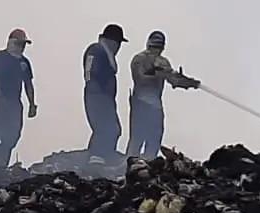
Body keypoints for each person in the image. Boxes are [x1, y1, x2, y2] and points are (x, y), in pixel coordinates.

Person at [127, 30, 198, 159]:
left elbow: (174, 79)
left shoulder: (163, 62)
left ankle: (149, 162)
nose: (155, 51)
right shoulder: (139, 59)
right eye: (154, 47)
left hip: (155, 107)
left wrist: (189, 82)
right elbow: (139, 77)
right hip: (140, 104)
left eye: (158, 47)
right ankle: (129, 163)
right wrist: (155, 71)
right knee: (137, 138)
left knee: (155, 138)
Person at [0, 28, 37, 167]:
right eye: (20, 44)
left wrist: (32, 103)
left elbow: (28, 83)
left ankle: (0, 165)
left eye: (23, 45)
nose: (22, 47)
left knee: (12, 135)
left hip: (15, 104)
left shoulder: (24, 63)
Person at [82, 23, 127, 162]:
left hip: (105, 98)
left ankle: (103, 157)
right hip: (97, 95)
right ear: (114, 42)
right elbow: (89, 71)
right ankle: (97, 158)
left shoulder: (105, 53)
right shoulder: (96, 49)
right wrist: (95, 89)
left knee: (112, 129)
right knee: (106, 128)